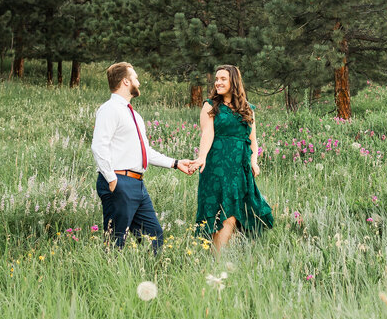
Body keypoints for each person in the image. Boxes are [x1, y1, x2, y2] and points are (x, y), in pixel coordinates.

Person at [91, 62, 195, 252]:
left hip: (137, 185)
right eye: (136, 78)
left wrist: (176, 163)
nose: (139, 82)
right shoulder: (110, 109)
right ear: (125, 81)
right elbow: (99, 145)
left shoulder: (134, 115)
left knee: (155, 236)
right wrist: (111, 179)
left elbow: (145, 151)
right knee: (115, 242)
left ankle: (149, 276)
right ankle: (111, 276)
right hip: (118, 181)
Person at [192, 64, 274, 252]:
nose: (218, 82)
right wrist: (201, 157)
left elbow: (253, 141)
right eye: (217, 79)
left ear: (234, 82)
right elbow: (207, 134)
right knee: (222, 209)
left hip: (240, 167)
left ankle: (227, 254)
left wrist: (254, 161)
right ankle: (217, 258)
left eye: (223, 79)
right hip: (217, 166)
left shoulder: (248, 109)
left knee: (240, 209)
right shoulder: (210, 105)